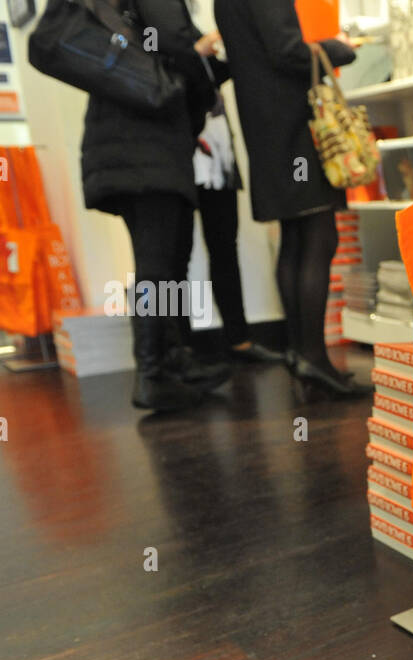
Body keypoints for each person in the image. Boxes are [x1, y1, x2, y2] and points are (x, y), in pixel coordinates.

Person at [79, 0, 232, 412]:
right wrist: (206, 71)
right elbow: (177, 44)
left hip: (138, 144)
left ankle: (173, 359)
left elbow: (167, 50)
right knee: (157, 263)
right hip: (143, 145)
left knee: (168, 258)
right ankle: (151, 373)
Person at [215, 0, 370, 398]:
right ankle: (312, 357)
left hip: (266, 126)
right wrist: (337, 47)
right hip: (292, 125)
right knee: (319, 234)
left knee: (296, 236)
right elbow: (286, 51)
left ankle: (302, 353)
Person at [192, 56, 285, 364]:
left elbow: (220, 72)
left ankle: (238, 338)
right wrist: (194, 52)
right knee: (170, 256)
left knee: (224, 247)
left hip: (218, 155)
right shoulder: (154, 26)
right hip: (178, 148)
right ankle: (179, 350)